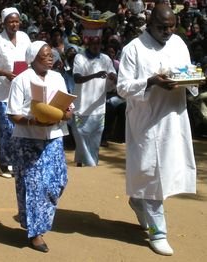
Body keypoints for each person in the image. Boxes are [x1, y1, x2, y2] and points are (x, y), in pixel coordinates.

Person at [117, 4, 197, 256]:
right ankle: (158, 233)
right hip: (147, 122)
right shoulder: (133, 49)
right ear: (149, 23)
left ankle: (138, 201)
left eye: (172, 26)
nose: (168, 31)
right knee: (151, 174)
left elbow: (187, 72)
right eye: (163, 27)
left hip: (174, 119)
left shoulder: (178, 44)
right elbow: (122, 87)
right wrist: (150, 82)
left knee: (169, 172)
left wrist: (192, 80)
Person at [7, 41, 72, 253]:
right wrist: (31, 121)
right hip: (27, 140)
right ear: (33, 58)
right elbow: (12, 113)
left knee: (57, 182)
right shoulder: (21, 80)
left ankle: (35, 220)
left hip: (53, 136)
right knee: (34, 186)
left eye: (51, 54)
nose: (51, 57)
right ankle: (36, 233)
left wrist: (68, 113)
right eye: (45, 55)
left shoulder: (58, 77)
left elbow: (66, 105)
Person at [0, 7, 31, 178]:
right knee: (8, 127)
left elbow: (31, 58)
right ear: (4, 23)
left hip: (21, 89)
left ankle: (17, 160)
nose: (14, 24)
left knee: (20, 126)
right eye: (11, 21)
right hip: (1, 91)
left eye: (16, 21)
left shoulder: (24, 37)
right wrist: (6, 74)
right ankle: (4, 162)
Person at [71, 34, 117, 167]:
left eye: (98, 44)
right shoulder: (80, 57)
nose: (96, 47)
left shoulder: (106, 58)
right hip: (82, 107)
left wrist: (113, 77)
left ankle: (89, 163)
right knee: (81, 138)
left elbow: (112, 77)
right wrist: (95, 75)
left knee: (95, 140)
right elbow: (77, 78)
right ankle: (88, 164)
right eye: (93, 44)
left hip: (99, 107)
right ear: (88, 45)